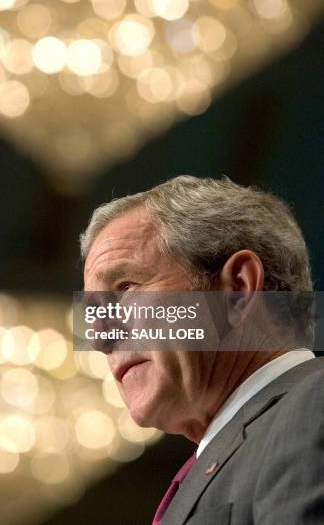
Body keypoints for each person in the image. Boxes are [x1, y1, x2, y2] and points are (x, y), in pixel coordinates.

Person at [80, 175, 323, 525]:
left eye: (126, 287)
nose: (99, 338)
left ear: (236, 289)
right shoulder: (228, 451)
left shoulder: (313, 406)